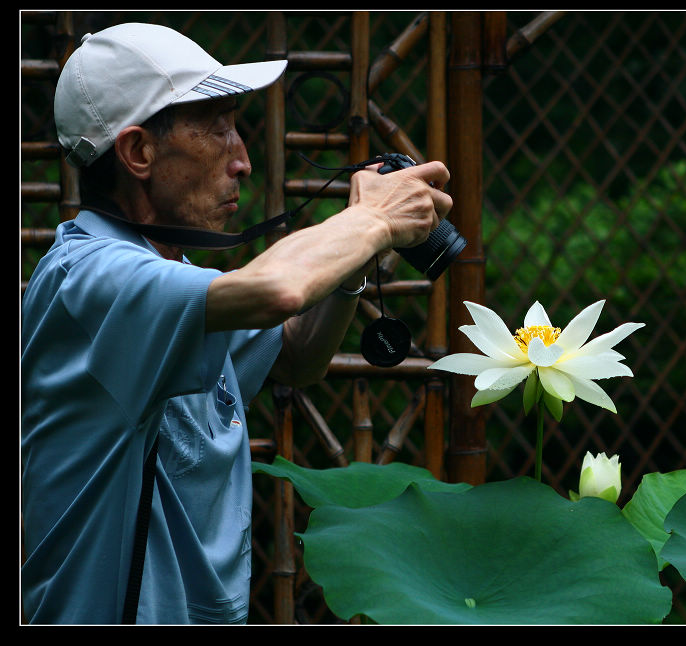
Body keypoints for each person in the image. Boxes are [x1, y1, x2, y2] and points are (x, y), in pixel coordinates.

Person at [20, 22, 452, 624]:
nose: (243, 159)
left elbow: (298, 355)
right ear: (138, 152)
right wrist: (374, 221)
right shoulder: (93, 281)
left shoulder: (171, 271)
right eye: (217, 128)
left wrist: (355, 257)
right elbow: (276, 288)